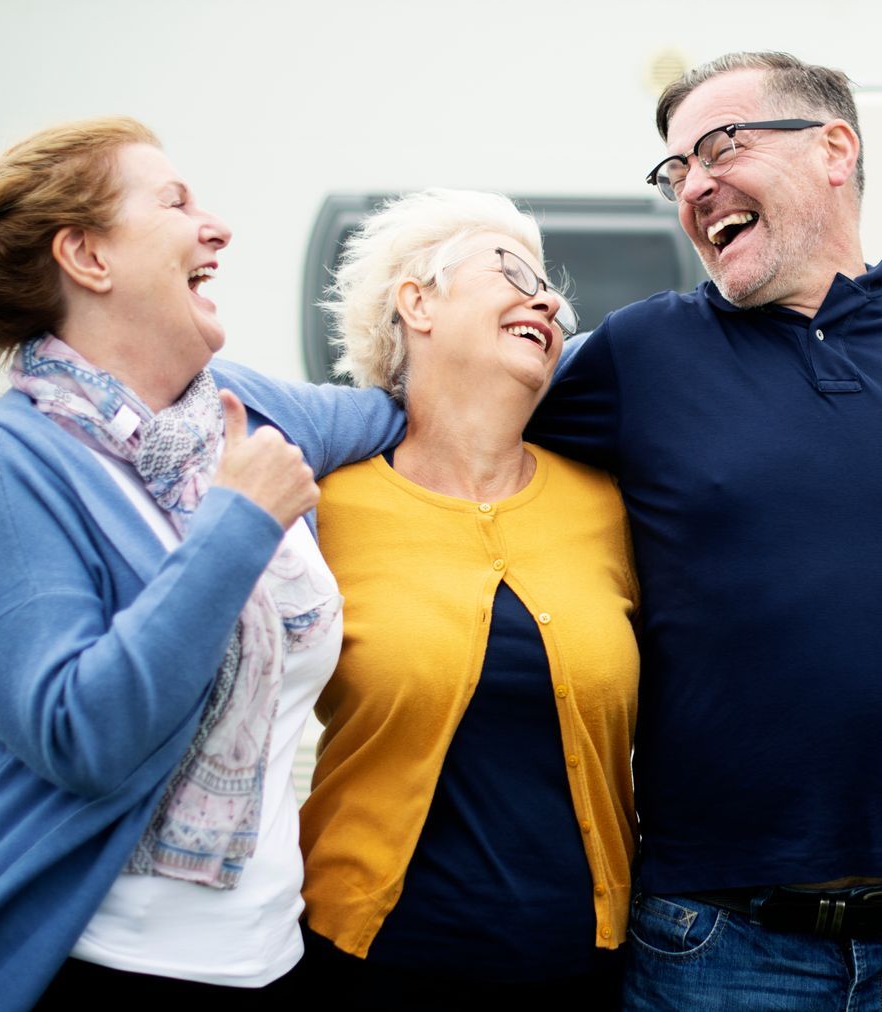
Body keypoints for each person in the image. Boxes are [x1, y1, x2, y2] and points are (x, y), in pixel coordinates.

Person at [529, 52, 882, 1009]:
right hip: (720, 936)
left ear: (835, 149)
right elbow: (448, 428)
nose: (695, 187)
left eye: (720, 147)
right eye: (675, 172)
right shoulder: (641, 354)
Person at [0, 117, 401, 1011]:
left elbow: (426, 406)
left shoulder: (237, 410)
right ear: (87, 255)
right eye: (176, 202)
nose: (218, 227)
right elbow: (84, 736)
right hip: (79, 972)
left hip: (269, 963)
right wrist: (236, 525)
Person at [295, 189, 636, 1008]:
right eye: (511, 271)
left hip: (589, 973)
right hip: (365, 964)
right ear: (417, 303)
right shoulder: (321, 506)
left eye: (552, 288)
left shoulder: (611, 506)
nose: (548, 299)